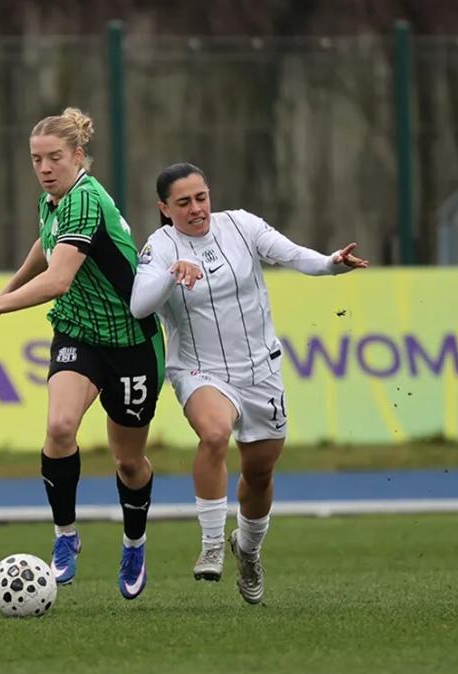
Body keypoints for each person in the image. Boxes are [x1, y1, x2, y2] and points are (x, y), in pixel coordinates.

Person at [130, 163, 367, 604]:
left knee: (259, 472)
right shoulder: (160, 247)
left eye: (201, 197)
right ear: (164, 208)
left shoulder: (241, 225)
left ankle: (249, 550)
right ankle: (212, 544)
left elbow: (293, 254)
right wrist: (169, 275)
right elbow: (140, 306)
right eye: (183, 203)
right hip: (199, 369)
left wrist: (332, 264)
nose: (196, 208)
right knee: (215, 434)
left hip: (260, 369)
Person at [0, 108, 164, 600]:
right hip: (78, 333)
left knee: (128, 461)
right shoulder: (53, 201)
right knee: (60, 428)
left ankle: (134, 542)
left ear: (78, 156)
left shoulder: (86, 200)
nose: (44, 168)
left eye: (54, 158)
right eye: (36, 159)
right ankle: (66, 536)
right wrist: (7, 288)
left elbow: (60, 277)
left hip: (131, 342)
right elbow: (45, 248)